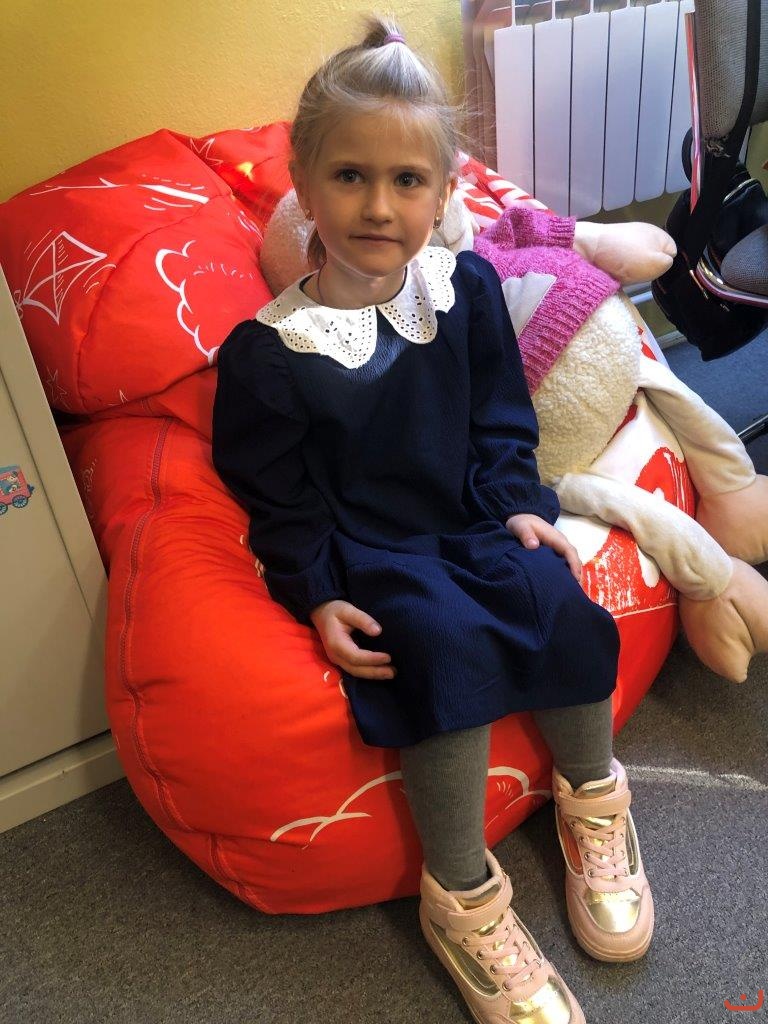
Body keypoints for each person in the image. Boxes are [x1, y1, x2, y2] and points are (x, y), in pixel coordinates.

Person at [212, 16, 653, 1024]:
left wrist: (522, 509)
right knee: (438, 646)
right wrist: (316, 592)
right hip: (376, 546)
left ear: (446, 191)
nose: (379, 206)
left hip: (474, 516)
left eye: (407, 181)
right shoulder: (268, 351)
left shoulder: (467, 288)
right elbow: (277, 496)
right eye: (350, 177)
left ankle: (595, 800)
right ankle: (459, 897)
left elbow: (501, 421)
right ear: (304, 185)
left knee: (558, 598)